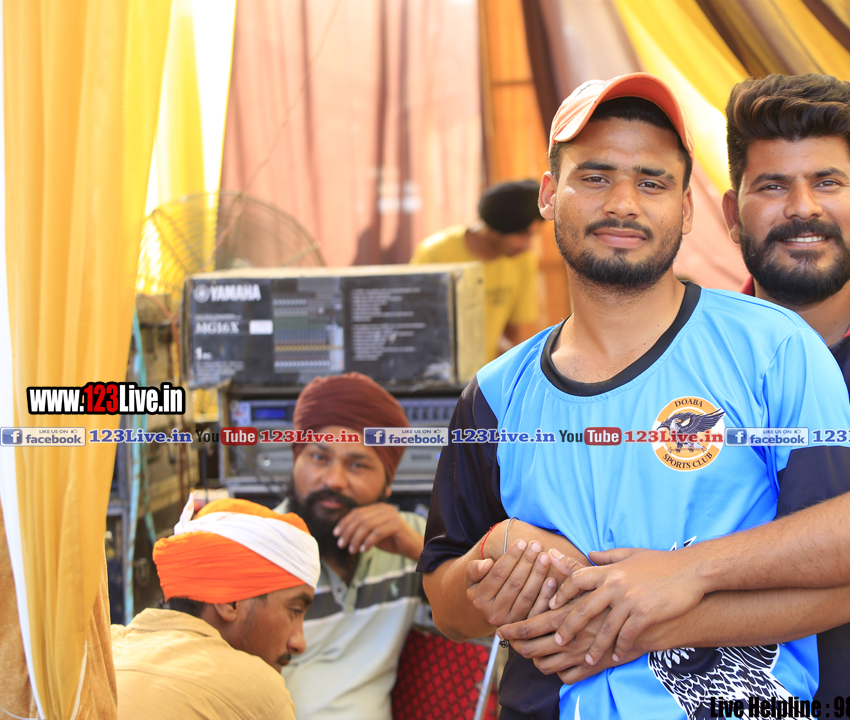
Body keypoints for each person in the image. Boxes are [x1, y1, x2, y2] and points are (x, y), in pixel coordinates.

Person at [420, 73, 850, 720]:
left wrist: (648, 614)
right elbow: (446, 603)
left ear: (687, 210)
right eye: (595, 177)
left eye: (652, 182)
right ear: (550, 194)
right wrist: (496, 566)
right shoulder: (496, 395)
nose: (622, 204)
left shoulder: (774, 350)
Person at [517, 73, 850, 703]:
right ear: (730, 216)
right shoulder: (683, 354)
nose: (803, 208)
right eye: (772, 186)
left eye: (827, 182)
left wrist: (683, 575)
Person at [277, 372, 425, 720]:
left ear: (387, 483)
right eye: (319, 458)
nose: (334, 480)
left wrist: (417, 549)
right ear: (296, 459)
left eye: (357, 465)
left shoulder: (410, 537)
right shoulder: (254, 547)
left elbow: (494, 610)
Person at [112, 497, 319, 720]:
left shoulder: (106, 651)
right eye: (294, 610)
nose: (299, 643)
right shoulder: (254, 687)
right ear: (229, 602)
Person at [411, 179, 544, 362]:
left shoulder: (523, 260)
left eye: (532, 235)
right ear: (498, 226)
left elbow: (516, 332)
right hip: (437, 368)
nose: (527, 245)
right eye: (522, 235)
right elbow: (416, 324)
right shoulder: (435, 254)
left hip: (485, 373)